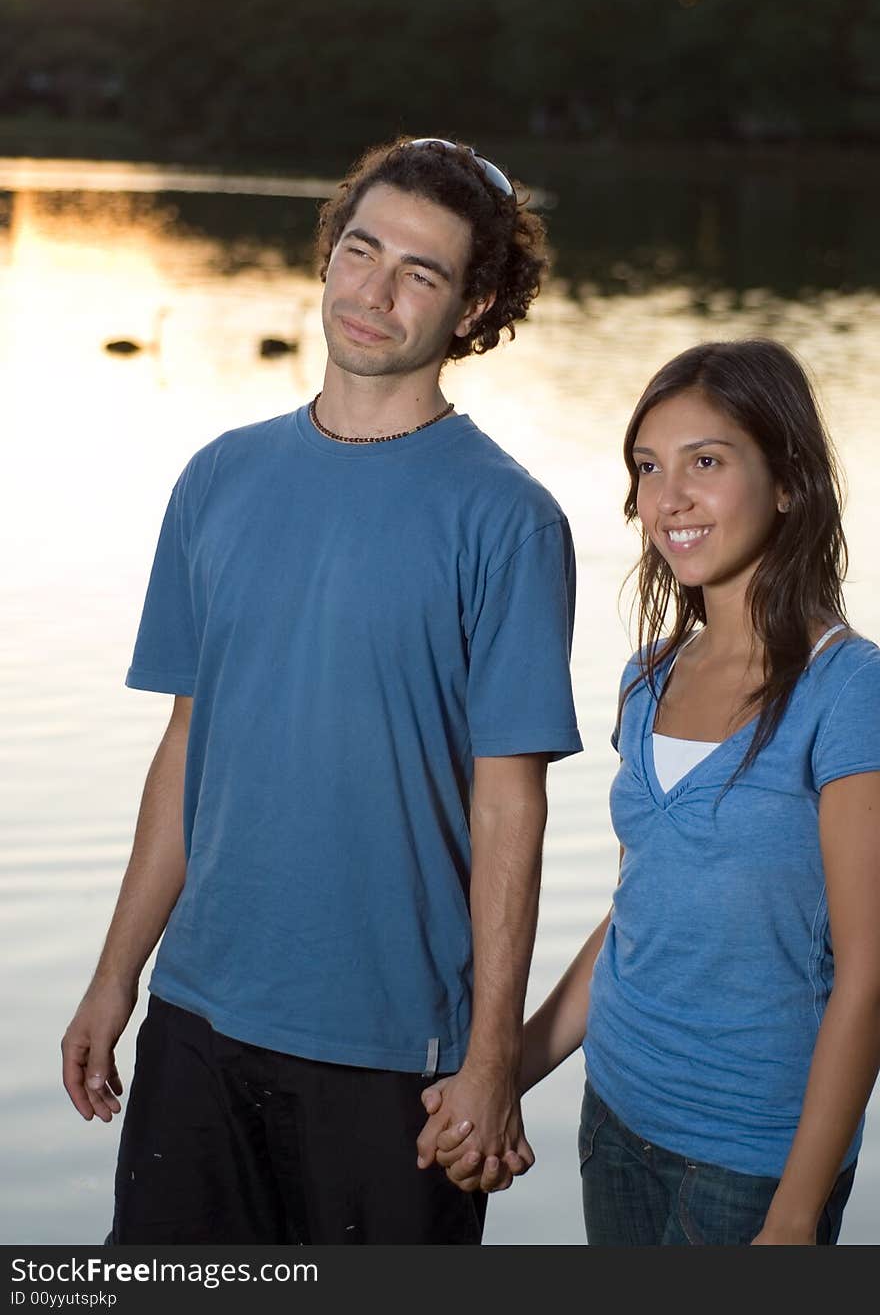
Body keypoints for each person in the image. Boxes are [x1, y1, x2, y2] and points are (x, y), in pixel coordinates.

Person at [60, 137, 583, 1244]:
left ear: (474, 304)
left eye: (420, 273)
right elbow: (185, 753)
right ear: (329, 252)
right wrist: (117, 975)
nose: (373, 292)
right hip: (199, 1021)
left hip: (397, 1055)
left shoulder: (507, 519)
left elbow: (509, 807)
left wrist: (494, 1057)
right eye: (361, 250)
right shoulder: (218, 478)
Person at [422, 338, 880, 1244]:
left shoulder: (849, 689)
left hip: (754, 1158)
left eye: (705, 461)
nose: (667, 498)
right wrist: (503, 1071)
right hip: (618, 1119)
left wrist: (793, 1217)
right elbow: (637, 911)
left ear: (788, 481)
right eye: (647, 467)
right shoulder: (648, 676)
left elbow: (868, 973)